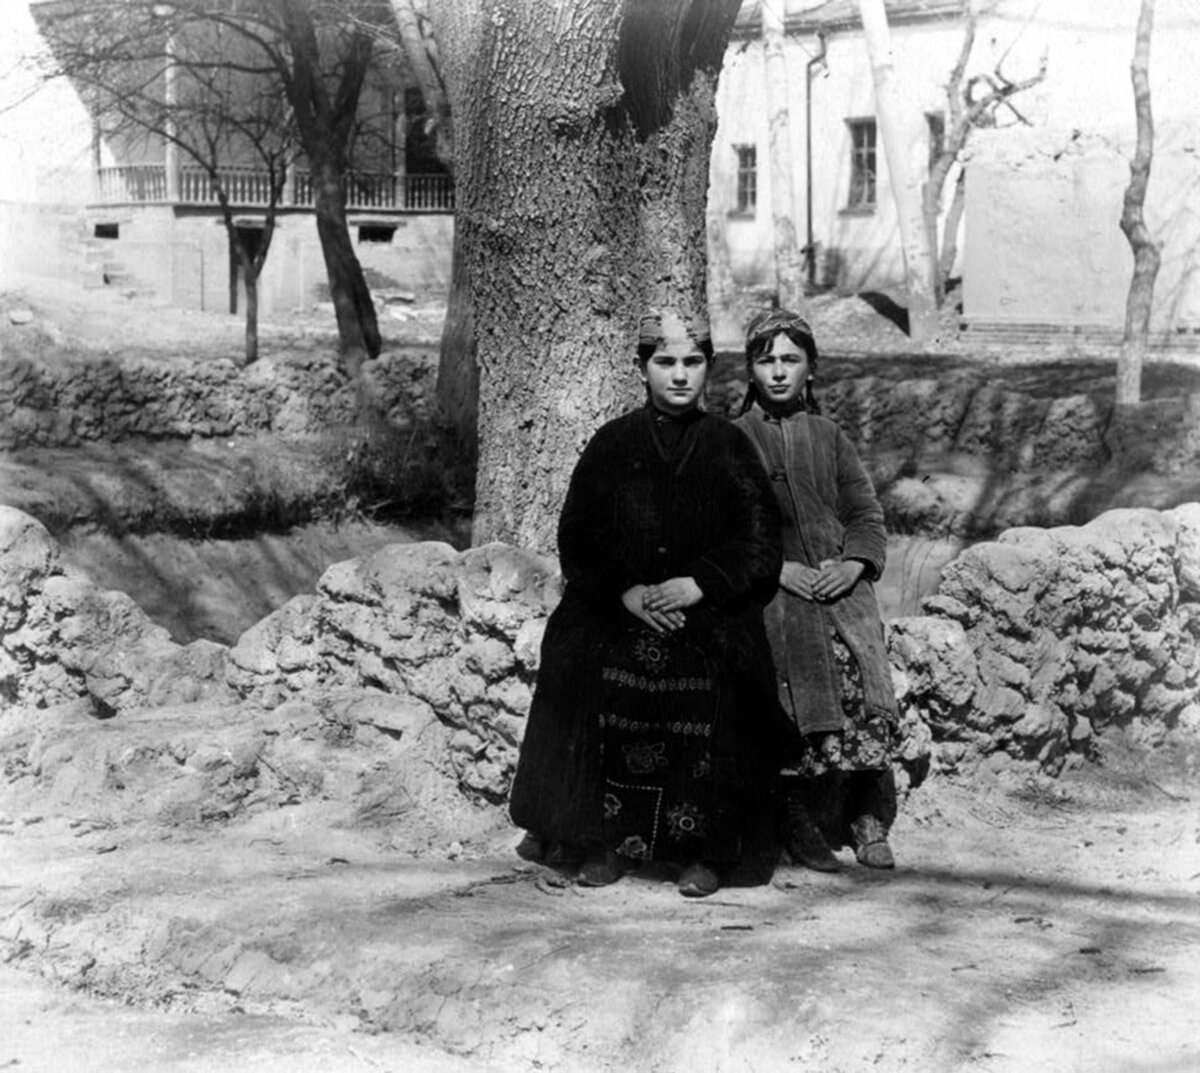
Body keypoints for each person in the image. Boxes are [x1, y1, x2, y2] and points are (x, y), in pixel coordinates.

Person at [508, 309, 790, 898]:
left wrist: (701, 583)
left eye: (692, 362)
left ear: (709, 368)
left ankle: (705, 851)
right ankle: (600, 841)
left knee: (724, 676)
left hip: (706, 608)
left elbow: (762, 541)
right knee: (583, 662)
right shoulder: (613, 444)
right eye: (665, 362)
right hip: (619, 603)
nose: (680, 375)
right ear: (642, 369)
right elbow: (579, 536)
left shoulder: (729, 447)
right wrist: (627, 591)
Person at [734, 309, 900, 872]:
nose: (778, 372)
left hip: (840, 588)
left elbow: (866, 516)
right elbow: (723, 527)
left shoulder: (831, 437)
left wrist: (853, 565)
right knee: (789, 675)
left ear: (810, 367)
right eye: (766, 360)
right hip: (772, 590)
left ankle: (864, 812)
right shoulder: (734, 438)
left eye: (790, 359)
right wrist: (777, 570)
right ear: (750, 370)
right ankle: (795, 816)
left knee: (859, 667)